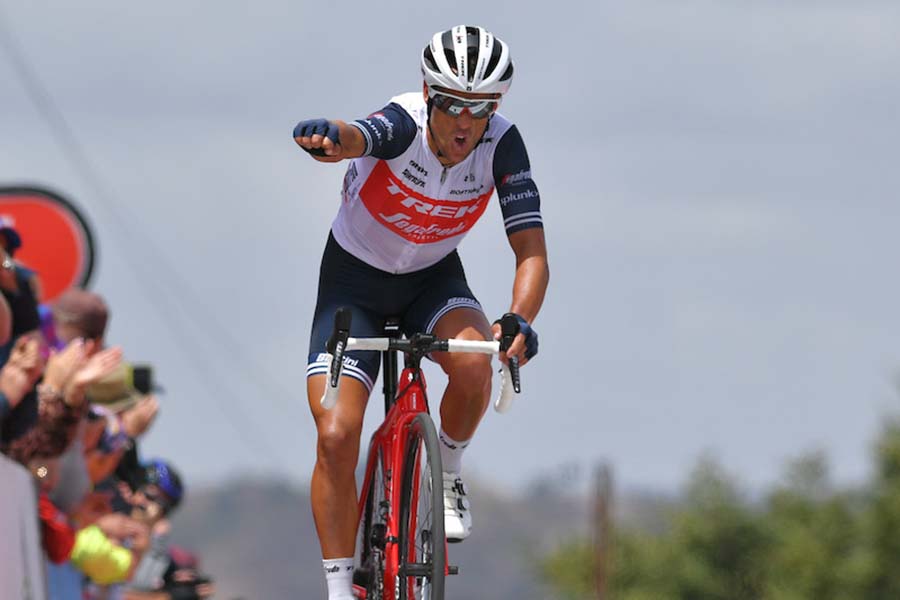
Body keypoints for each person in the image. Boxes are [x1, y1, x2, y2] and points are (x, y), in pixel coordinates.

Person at [293, 25, 548, 599]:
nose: (465, 122)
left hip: (431, 281)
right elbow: (359, 135)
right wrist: (327, 137)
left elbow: (531, 249)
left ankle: (448, 470)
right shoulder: (404, 122)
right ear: (429, 94)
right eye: (453, 104)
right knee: (336, 435)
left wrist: (519, 318)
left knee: (476, 362)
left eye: (480, 109)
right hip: (353, 284)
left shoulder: (501, 144)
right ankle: (338, 589)